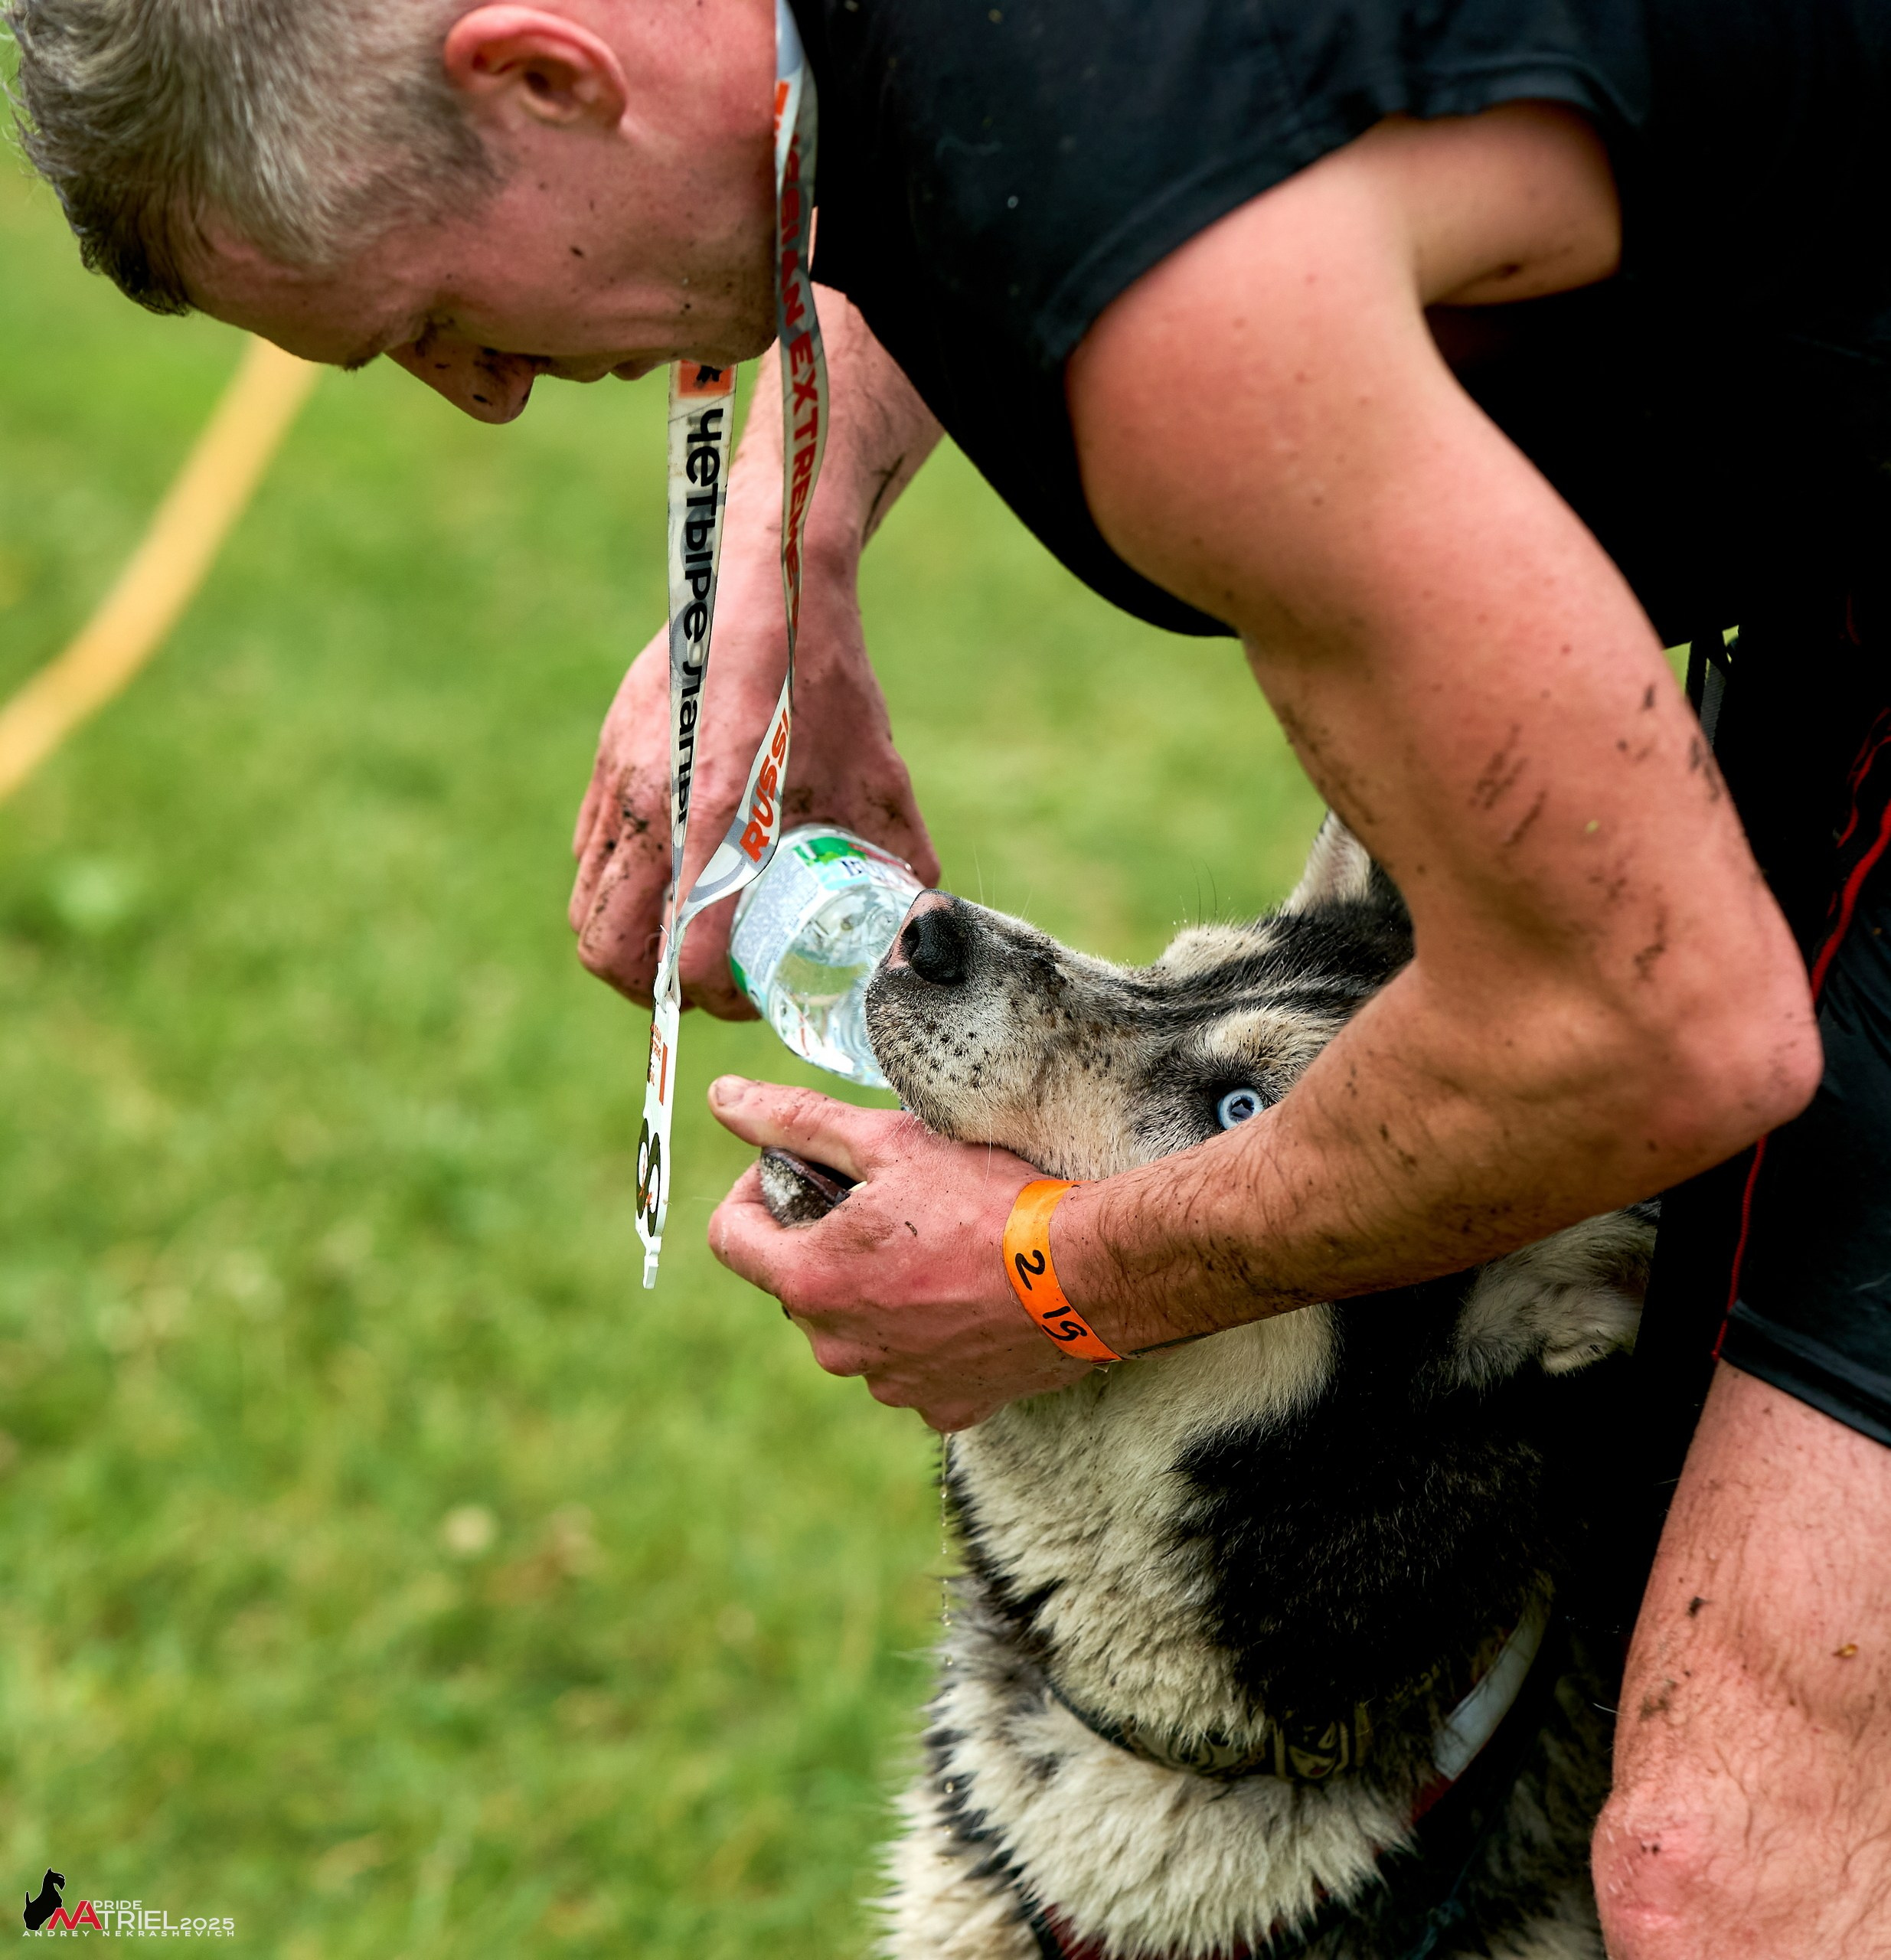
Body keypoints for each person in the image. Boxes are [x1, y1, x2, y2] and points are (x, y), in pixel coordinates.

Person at [11, 1, 1891, 1952]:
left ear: (546, 75)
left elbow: (1661, 1033)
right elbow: (970, 164)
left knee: (1737, 1854)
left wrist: (1053, 1277)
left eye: (425, 321)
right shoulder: (942, 75)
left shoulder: (1185, 306)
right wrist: (787, 548)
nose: (477, 399)